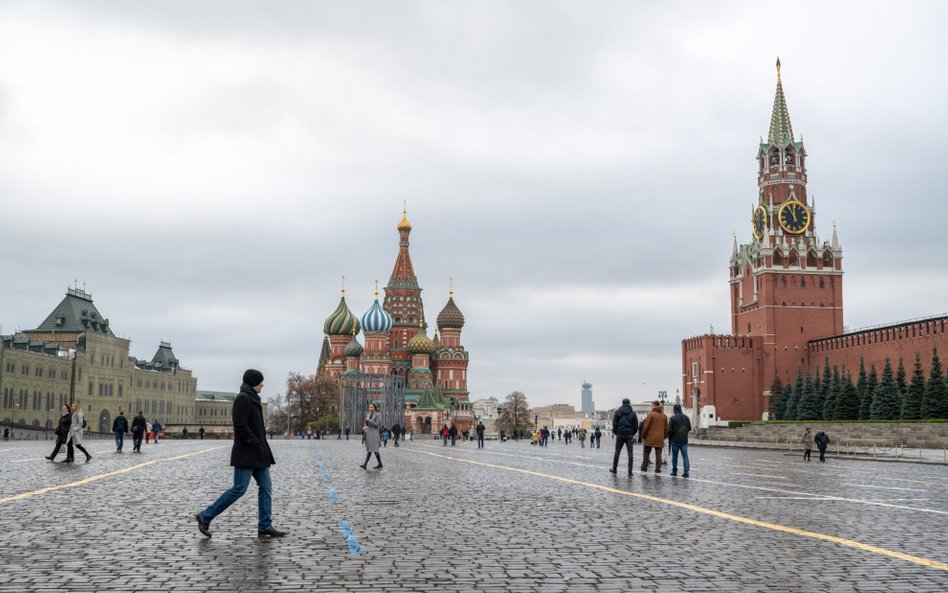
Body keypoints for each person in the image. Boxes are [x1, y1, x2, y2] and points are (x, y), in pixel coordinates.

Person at [195, 369, 285, 539]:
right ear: (253, 382)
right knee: (239, 489)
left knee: (266, 488)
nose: (262, 385)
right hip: (246, 452)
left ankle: (265, 525)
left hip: (259, 453)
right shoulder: (242, 399)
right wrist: (254, 442)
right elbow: (240, 425)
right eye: (260, 382)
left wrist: (259, 445)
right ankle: (205, 516)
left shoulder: (251, 397)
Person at [610, 398, 638, 475]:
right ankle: (630, 471)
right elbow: (636, 425)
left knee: (617, 452)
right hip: (629, 434)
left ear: (622, 403)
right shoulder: (633, 413)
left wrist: (616, 432)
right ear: (629, 403)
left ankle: (614, 469)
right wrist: (632, 433)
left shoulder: (618, 412)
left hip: (620, 434)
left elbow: (614, 424)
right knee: (630, 453)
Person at [640, 401, 667, 473]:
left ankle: (644, 468)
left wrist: (643, 435)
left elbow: (646, 426)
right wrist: (663, 436)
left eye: (652, 406)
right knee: (658, 454)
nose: (651, 407)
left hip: (649, 437)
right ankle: (658, 470)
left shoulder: (651, 414)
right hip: (659, 438)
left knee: (646, 453)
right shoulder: (664, 416)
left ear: (655, 406)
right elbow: (666, 429)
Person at [667, 404, 692, 477]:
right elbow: (689, 428)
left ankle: (674, 471)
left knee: (675, 456)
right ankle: (686, 472)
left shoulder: (672, 418)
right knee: (685, 456)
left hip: (675, 440)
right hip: (684, 440)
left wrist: (670, 438)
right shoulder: (686, 417)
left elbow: (670, 430)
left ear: (675, 409)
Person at [360, 403, 383, 469]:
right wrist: (366, 421)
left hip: (374, 434)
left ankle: (365, 464)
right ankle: (380, 463)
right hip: (369, 433)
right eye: (370, 407)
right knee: (372, 449)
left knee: (372, 449)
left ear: (375, 408)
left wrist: (369, 420)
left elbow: (377, 425)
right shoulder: (369, 414)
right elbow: (367, 424)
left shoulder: (378, 415)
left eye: (372, 407)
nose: (370, 408)